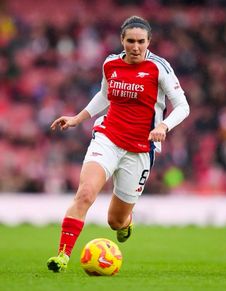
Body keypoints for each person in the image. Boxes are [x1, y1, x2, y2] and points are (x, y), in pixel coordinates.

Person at [47, 15, 190, 272]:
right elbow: (104, 96)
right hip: (108, 136)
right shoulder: (110, 64)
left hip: (140, 148)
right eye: (131, 41)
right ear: (121, 40)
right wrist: (77, 118)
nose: (136, 47)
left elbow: (183, 106)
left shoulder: (160, 68)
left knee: (115, 221)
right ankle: (62, 256)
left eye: (141, 42)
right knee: (86, 193)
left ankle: (127, 222)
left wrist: (163, 125)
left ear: (149, 42)